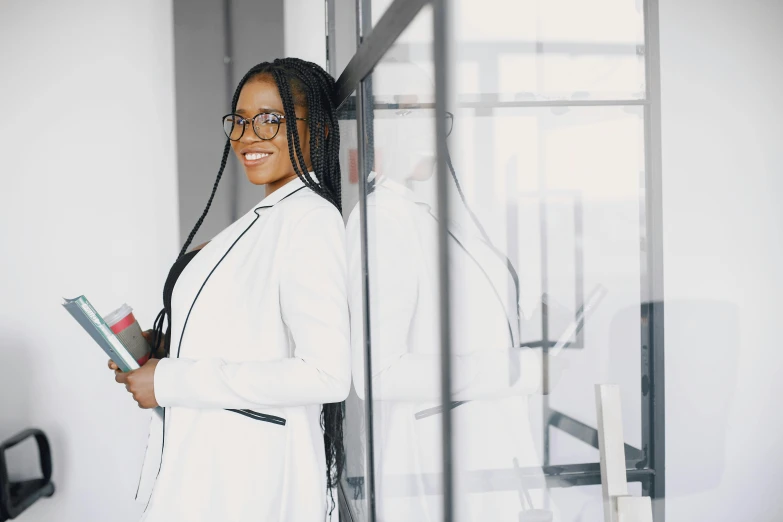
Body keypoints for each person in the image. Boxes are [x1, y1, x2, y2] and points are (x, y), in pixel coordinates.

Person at [108, 58, 350, 522]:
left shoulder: (309, 221)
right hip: (209, 468)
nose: (246, 136)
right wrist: (162, 350)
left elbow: (326, 374)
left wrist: (169, 380)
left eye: (270, 120)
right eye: (239, 121)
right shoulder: (267, 221)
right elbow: (252, 332)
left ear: (317, 130)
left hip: (247, 484)